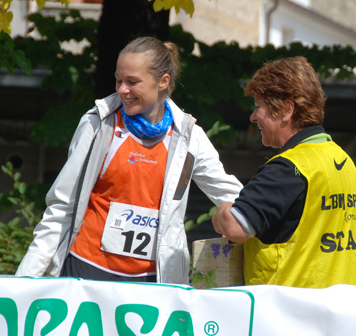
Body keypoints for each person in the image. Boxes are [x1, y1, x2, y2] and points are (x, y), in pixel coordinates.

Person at [16, 37, 242, 284]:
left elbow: (229, 192)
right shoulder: (98, 123)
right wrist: (25, 281)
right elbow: (62, 205)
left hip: (151, 281)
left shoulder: (188, 135)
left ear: (163, 81)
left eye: (132, 82)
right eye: (118, 80)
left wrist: (269, 217)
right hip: (87, 269)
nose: (122, 89)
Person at [212, 56, 356, 289]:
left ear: (286, 109)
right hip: (348, 313)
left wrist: (223, 211)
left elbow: (236, 227)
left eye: (258, 107)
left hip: (293, 316)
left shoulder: (288, 167)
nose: (253, 117)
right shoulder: (343, 160)